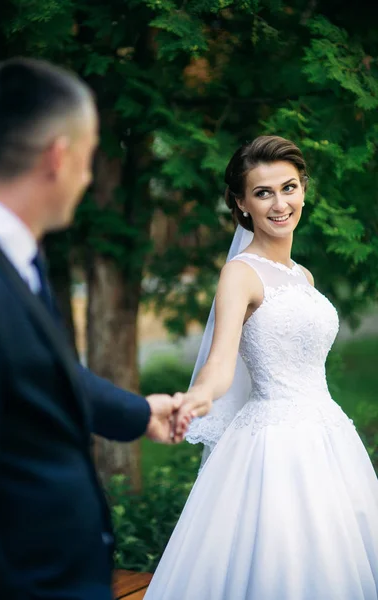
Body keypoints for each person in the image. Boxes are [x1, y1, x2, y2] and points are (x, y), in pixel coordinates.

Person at [0, 57, 190, 600]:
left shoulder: (12, 257)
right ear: (58, 156)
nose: (89, 177)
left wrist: (141, 412)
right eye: (90, 156)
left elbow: (41, 373)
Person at [145, 135, 378, 599]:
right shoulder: (239, 273)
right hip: (274, 444)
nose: (280, 203)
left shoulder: (303, 276)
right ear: (241, 203)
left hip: (329, 434)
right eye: (263, 192)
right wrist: (196, 398)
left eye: (288, 187)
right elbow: (219, 364)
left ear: (304, 190)